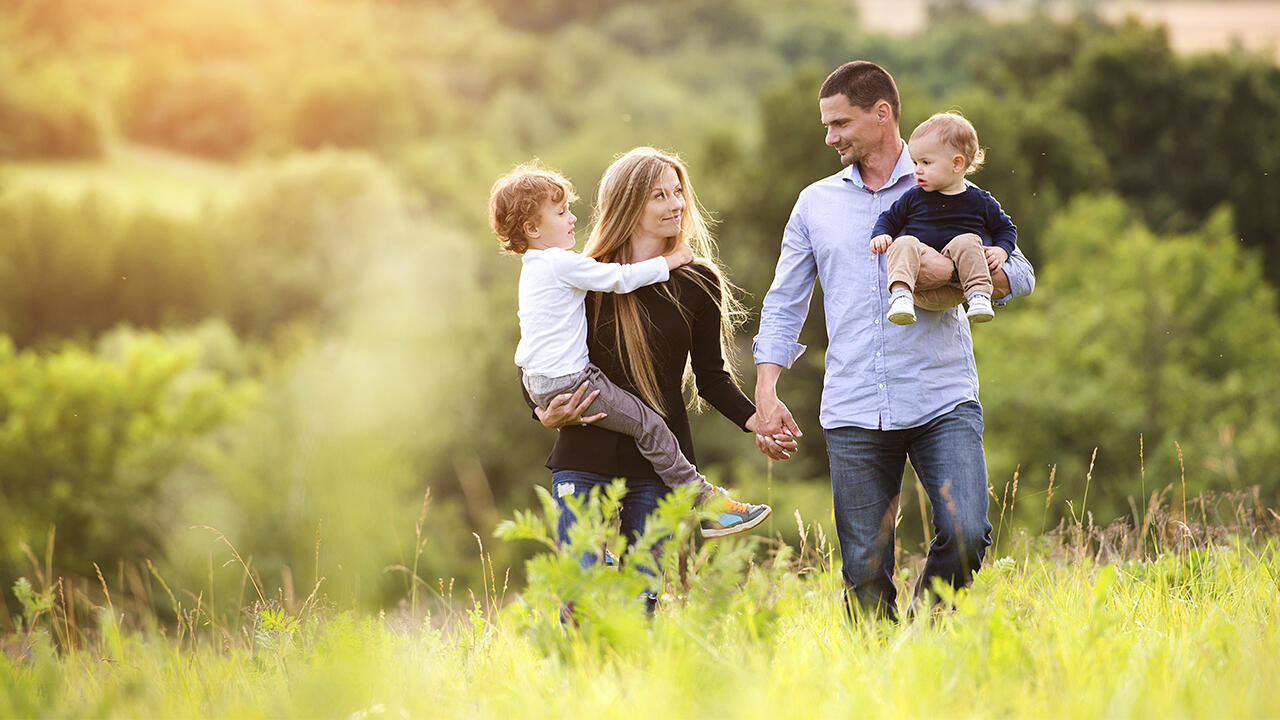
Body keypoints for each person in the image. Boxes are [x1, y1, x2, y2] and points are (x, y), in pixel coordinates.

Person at [751, 61, 1036, 620]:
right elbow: (785, 301)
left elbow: (1021, 274)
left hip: (942, 396)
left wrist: (956, 275)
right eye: (826, 126)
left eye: (840, 123)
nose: (830, 137)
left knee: (966, 532)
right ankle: (879, 682)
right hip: (854, 403)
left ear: (882, 114)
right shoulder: (815, 203)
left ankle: (923, 641)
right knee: (863, 565)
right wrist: (767, 390)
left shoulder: (954, 187)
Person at [492, 155, 774, 551]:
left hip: (657, 467)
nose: (676, 204)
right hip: (584, 454)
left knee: (641, 599)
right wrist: (540, 411)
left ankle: (707, 502)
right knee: (581, 594)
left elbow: (711, 377)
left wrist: (758, 420)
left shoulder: (697, 280)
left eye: (678, 192)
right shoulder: (588, 275)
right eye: (660, 195)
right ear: (629, 203)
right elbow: (538, 351)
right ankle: (704, 500)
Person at [869, 112, 1017, 325]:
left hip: (961, 290)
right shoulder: (914, 196)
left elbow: (1006, 228)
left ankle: (979, 297)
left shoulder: (980, 200)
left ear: (957, 164)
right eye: (915, 162)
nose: (917, 170)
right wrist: (881, 234)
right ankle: (900, 296)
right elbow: (889, 218)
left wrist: (1002, 250)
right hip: (920, 285)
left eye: (926, 163)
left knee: (967, 240)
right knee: (904, 242)